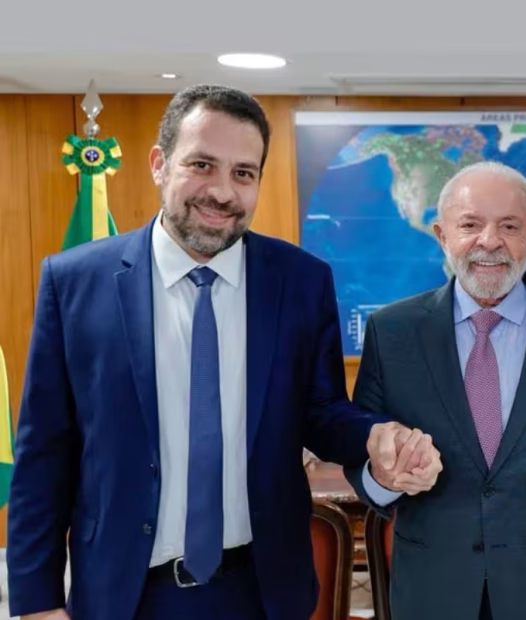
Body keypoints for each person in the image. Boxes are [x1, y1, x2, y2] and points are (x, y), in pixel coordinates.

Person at [7, 85, 441, 620]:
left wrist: (375, 437)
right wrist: (38, 602)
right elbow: (44, 454)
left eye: (243, 173)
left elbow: (321, 412)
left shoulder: (300, 282)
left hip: (261, 592)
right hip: (123, 594)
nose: (221, 191)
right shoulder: (74, 282)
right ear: (159, 164)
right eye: (202, 165)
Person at [344, 161, 526, 620]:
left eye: (509, 226)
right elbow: (361, 456)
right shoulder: (392, 332)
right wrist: (383, 478)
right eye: (470, 225)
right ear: (442, 235)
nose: (489, 241)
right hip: (433, 593)